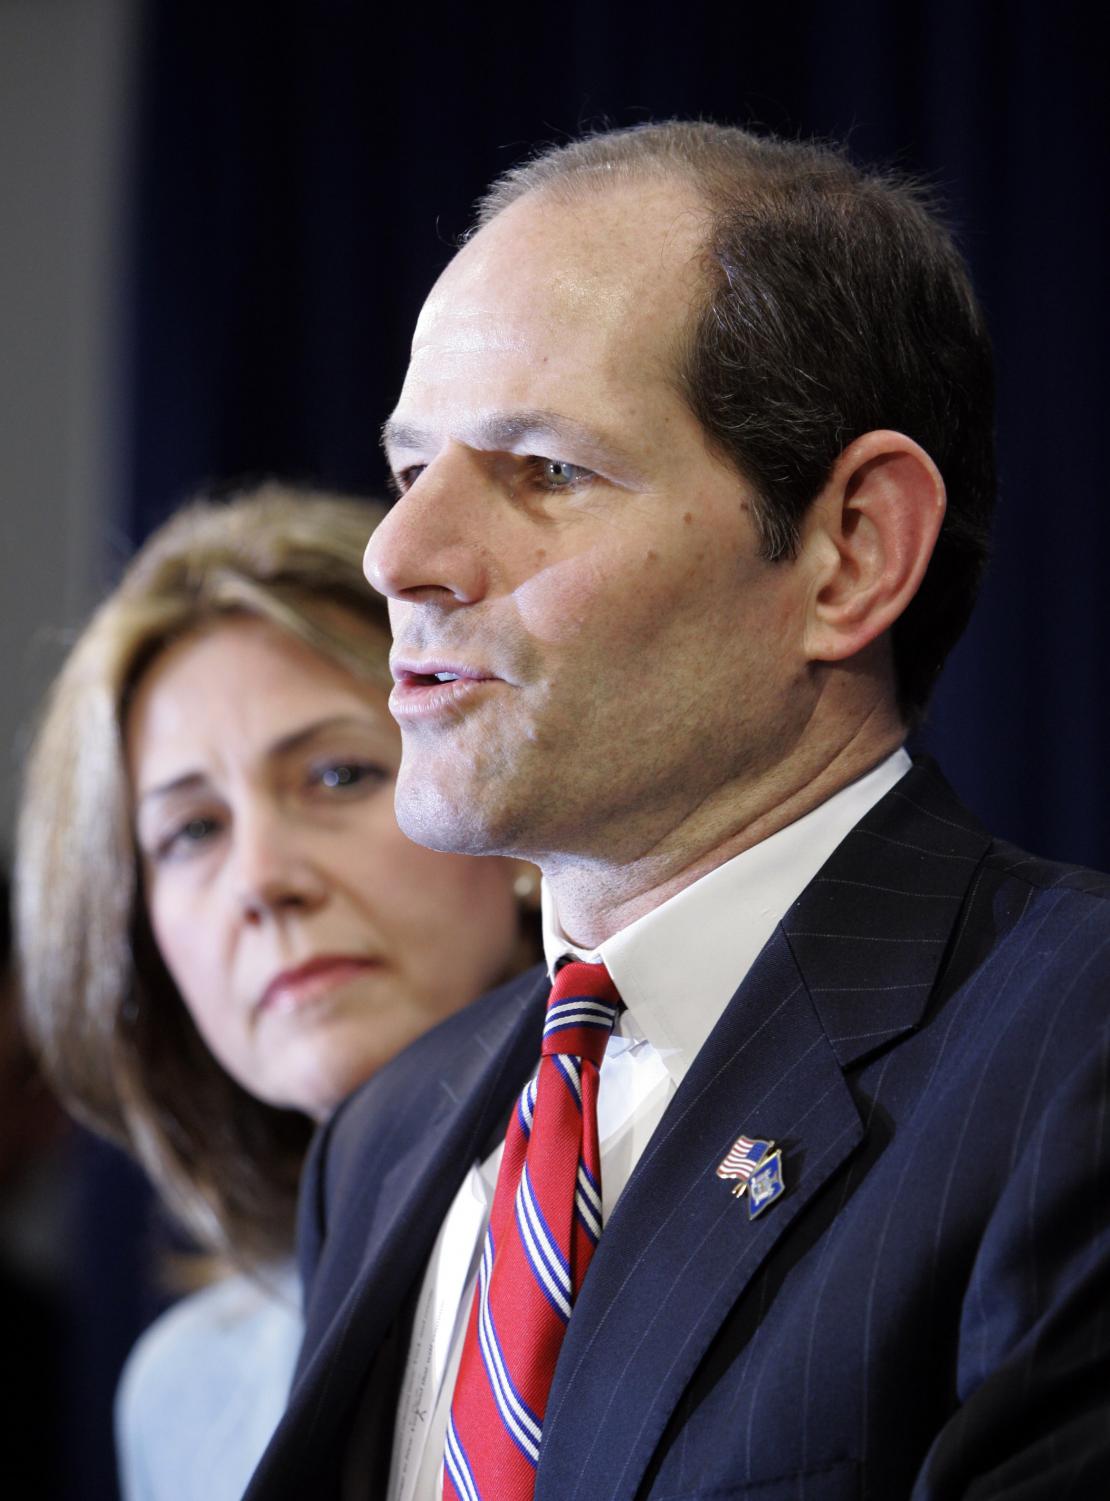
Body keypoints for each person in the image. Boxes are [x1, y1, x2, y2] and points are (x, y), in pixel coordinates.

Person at [245, 124, 1110, 1500]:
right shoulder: (386, 1137)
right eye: (413, 469)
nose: (395, 554)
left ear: (850, 551)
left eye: (544, 469)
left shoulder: (1071, 1053)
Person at [15, 485, 539, 1501]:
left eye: (337, 776)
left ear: (511, 826)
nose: (262, 878)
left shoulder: (688, 1220)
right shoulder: (183, 1391)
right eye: (191, 832)